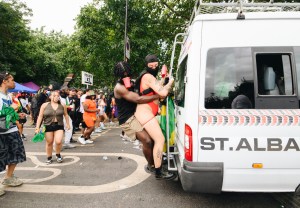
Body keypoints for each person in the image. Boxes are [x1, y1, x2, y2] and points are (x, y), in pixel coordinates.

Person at [114, 61, 163, 176]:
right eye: (123, 74)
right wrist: (158, 95)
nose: (126, 76)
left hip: (137, 114)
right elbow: (138, 99)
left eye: (127, 73)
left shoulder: (132, 82)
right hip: (128, 119)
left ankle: (157, 159)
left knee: (154, 136)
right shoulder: (119, 87)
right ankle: (151, 165)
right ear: (118, 75)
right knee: (147, 140)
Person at [134, 54, 174, 179]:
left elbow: (157, 89)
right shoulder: (148, 76)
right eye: (151, 66)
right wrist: (171, 82)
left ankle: (155, 165)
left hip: (146, 113)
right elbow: (162, 93)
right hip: (145, 113)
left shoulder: (147, 76)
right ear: (146, 66)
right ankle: (158, 171)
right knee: (160, 139)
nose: (154, 67)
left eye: (156, 65)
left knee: (151, 141)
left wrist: (164, 80)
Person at [0, 72, 26, 197]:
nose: (14, 82)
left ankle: (8, 177)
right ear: (5, 81)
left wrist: (17, 116)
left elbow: (9, 114)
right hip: (1, 132)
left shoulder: (8, 96)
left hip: (11, 129)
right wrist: (12, 109)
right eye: (12, 80)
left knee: (16, 153)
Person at [35, 90, 70, 164]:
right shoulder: (45, 105)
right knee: (49, 142)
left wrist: (68, 124)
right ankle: (49, 157)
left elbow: (66, 115)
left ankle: (58, 154)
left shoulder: (62, 105)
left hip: (59, 125)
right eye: (54, 95)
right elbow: (40, 116)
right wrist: (37, 127)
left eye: (58, 96)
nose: (56, 97)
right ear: (50, 97)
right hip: (48, 125)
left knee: (58, 141)